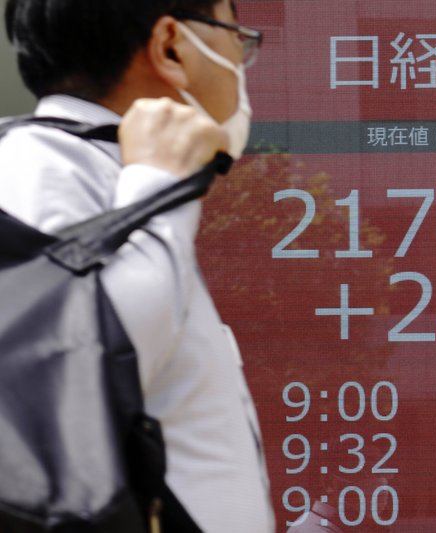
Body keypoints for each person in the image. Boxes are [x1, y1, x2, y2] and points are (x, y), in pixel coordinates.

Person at [0, 1, 274, 531]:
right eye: (236, 36)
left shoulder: (97, 164)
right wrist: (159, 186)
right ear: (173, 46)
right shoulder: (38, 163)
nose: (241, 62)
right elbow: (76, 365)